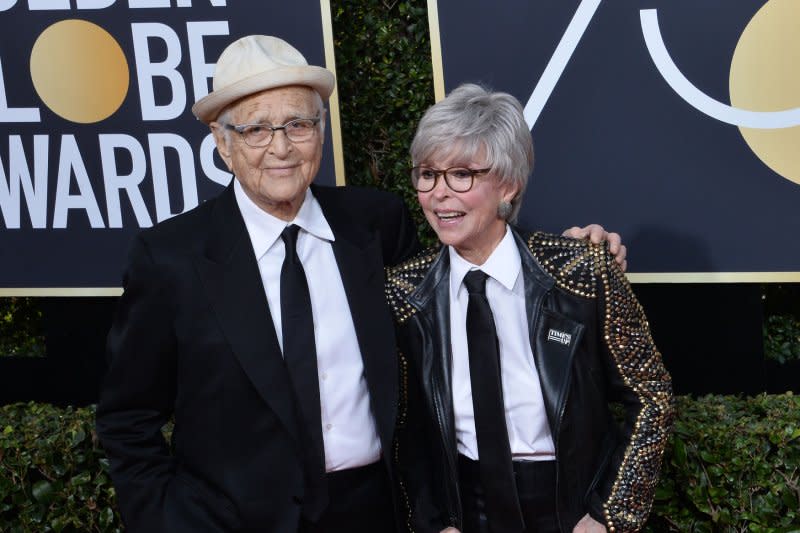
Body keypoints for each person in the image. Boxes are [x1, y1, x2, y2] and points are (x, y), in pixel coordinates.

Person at [96, 35, 627, 533]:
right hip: (230, 520)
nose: (280, 147)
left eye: (298, 125)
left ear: (320, 133)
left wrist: (571, 260)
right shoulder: (171, 257)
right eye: (257, 129)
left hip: (376, 512)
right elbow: (127, 419)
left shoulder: (376, 224)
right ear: (221, 144)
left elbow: (468, 273)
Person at [386, 84, 674, 533]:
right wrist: (431, 522)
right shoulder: (404, 292)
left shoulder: (582, 271)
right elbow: (403, 428)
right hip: (466, 512)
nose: (439, 193)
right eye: (427, 174)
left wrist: (608, 515)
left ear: (509, 183)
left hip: (571, 508)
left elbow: (652, 397)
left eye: (461, 174)